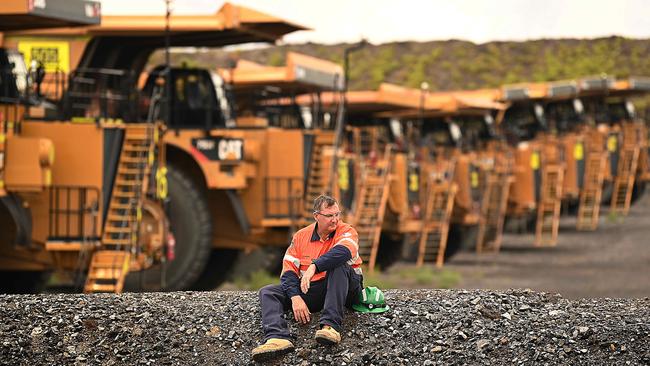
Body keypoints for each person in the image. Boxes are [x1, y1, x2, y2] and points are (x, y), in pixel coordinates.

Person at [252, 195, 363, 362]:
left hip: (347, 289)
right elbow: (288, 271)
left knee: (338, 265)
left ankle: (330, 327)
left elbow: (343, 252)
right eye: (329, 216)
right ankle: (277, 338)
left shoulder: (347, 230)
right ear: (316, 216)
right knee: (268, 292)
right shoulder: (300, 236)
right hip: (317, 289)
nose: (335, 220)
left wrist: (314, 266)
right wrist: (295, 297)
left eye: (337, 214)